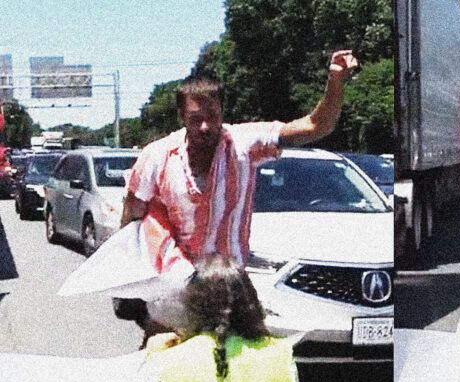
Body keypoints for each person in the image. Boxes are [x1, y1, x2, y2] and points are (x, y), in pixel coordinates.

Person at [112, 50, 359, 339]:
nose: (205, 126)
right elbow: (132, 219)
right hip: (172, 298)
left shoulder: (243, 144)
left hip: (230, 296)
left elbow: (317, 126)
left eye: (213, 117)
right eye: (195, 119)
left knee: (239, 376)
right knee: (168, 376)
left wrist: (336, 81)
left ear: (222, 112)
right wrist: (126, 283)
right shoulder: (156, 157)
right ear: (181, 117)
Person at [104, 254, 302, 382]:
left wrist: (147, 359)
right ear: (251, 302)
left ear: (191, 306)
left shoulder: (168, 365)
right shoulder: (281, 359)